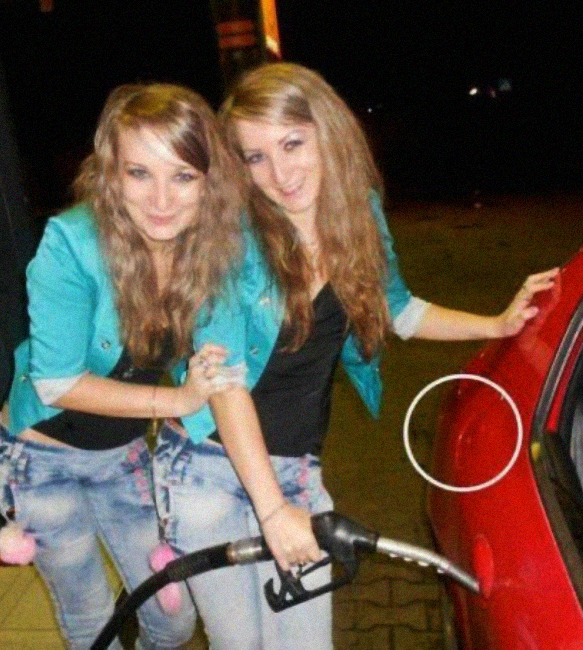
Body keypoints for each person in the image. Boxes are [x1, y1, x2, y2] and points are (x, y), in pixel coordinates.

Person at [152, 62, 559, 650]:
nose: (280, 173)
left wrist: (496, 322)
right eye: (255, 157)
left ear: (327, 131)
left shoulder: (358, 214)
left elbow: (397, 308)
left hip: (292, 468)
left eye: (292, 143)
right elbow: (225, 382)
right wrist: (273, 512)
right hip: (207, 470)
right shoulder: (230, 238)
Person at [0, 82, 244, 650]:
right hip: (40, 457)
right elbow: (56, 383)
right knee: (91, 618)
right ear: (110, 173)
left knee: (172, 616)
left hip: (122, 454)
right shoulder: (72, 244)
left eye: (182, 176)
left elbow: (228, 365)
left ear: (210, 182)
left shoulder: (208, 250)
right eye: (139, 174)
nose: (161, 200)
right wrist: (177, 401)